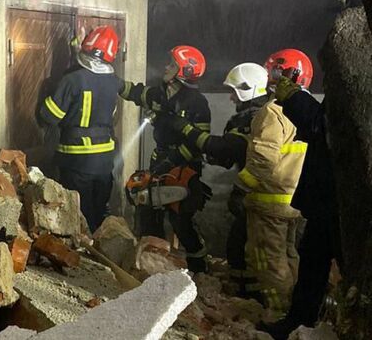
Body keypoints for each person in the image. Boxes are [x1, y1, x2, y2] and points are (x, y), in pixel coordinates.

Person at [258, 50, 341, 339]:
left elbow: (323, 126)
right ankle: (299, 323)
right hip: (326, 200)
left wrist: (294, 98)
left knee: (340, 267)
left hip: (341, 204)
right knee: (311, 262)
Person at [168, 62, 270, 293]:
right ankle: (244, 291)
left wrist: (187, 130)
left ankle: (254, 296)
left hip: (261, 196)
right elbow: (227, 155)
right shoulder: (251, 116)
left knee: (246, 247)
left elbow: (224, 148)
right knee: (239, 243)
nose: (231, 98)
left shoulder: (255, 119)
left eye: (234, 92)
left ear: (248, 89)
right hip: (254, 194)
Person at [119, 45, 211, 272]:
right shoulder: (160, 94)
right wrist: (112, 82)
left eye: (172, 64)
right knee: (148, 212)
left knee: (181, 221)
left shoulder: (197, 103)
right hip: (160, 163)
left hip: (184, 168)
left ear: (185, 71)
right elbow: (136, 93)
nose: (166, 67)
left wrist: (173, 160)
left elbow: (198, 143)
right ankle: (153, 264)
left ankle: (199, 268)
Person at [235, 50, 309, 318]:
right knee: (289, 257)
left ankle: (279, 315)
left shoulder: (273, 112)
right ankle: (298, 314)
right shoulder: (306, 109)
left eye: (275, 72)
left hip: (269, 202)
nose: (270, 77)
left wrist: (241, 187)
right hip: (292, 202)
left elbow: (263, 159)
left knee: (268, 262)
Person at [37, 26, 121, 232]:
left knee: (79, 219)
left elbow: (49, 115)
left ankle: (83, 250)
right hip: (105, 162)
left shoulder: (72, 80)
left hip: (77, 161)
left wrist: (48, 93)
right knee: (98, 216)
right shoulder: (114, 82)